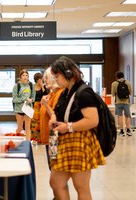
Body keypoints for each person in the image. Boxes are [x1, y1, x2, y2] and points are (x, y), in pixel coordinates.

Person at [48, 56, 105, 200]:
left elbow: (93, 120)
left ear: (68, 74)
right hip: (65, 142)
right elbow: (60, 112)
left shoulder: (83, 92)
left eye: (57, 76)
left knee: (81, 186)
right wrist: (54, 119)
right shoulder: (66, 91)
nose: (56, 80)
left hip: (79, 142)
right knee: (56, 182)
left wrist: (68, 127)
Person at [40, 67, 63, 145]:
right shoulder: (51, 93)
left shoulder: (60, 94)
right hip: (47, 137)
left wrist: (45, 105)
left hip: (54, 138)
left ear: (53, 78)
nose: (44, 81)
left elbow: (55, 116)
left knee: (54, 156)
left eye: (46, 78)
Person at [12, 69, 34, 141]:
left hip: (28, 108)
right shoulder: (17, 86)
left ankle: (28, 143)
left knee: (27, 127)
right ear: (20, 77)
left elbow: (33, 97)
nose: (25, 77)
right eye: (23, 75)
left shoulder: (31, 85)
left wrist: (31, 100)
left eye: (26, 75)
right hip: (19, 109)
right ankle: (16, 142)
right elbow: (15, 99)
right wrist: (24, 99)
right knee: (20, 128)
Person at [111, 71, 132, 137]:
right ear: (123, 76)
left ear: (116, 76)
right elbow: (131, 93)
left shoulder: (114, 83)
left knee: (120, 116)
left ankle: (121, 131)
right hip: (126, 102)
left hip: (118, 102)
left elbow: (112, 94)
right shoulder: (127, 82)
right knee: (127, 116)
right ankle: (128, 130)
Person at [31, 72, 48, 143]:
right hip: (34, 105)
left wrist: (42, 87)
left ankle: (40, 138)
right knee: (34, 121)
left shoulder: (43, 87)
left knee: (40, 121)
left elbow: (46, 95)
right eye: (39, 79)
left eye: (41, 79)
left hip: (41, 105)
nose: (40, 80)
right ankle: (33, 138)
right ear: (36, 80)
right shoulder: (32, 86)